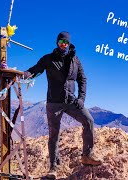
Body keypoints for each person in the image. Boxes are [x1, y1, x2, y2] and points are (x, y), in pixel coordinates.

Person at [23, 32, 102, 178]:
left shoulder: (75, 60)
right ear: (57, 42)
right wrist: (25, 74)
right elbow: (35, 69)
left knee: (89, 120)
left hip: (72, 101)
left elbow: (82, 79)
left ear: (69, 43)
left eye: (65, 41)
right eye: (60, 41)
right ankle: (53, 168)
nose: (63, 44)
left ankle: (87, 155)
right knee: (54, 135)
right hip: (54, 103)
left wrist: (81, 98)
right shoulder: (48, 59)